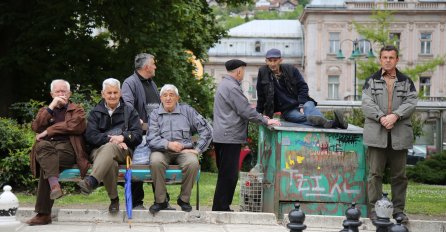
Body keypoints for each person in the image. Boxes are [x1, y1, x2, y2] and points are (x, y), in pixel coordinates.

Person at [212, 59, 281, 211]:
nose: (243, 73)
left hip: (223, 135)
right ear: (238, 71)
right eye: (243, 70)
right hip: (229, 136)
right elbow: (245, 110)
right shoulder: (232, 87)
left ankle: (220, 206)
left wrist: (262, 118)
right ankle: (221, 208)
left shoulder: (225, 84)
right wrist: (265, 121)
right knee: (229, 175)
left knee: (225, 174)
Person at [362, 45, 417, 224]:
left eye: (391, 57)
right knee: (374, 175)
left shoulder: (407, 81)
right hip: (376, 134)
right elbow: (366, 103)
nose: (387, 60)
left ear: (396, 60)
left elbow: (411, 102)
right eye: (384, 57)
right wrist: (382, 117)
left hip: (399, 135)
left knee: (399, 176)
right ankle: (375, 210)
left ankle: (398, 211)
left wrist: (395, 115)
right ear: (380, 59)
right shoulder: (370, 81)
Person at [27, 79, 90, 225]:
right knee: (42, 148)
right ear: (51, 94)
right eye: (57, 91)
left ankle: (43, 214)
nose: (61, 94)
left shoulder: (77, 110)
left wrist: (48, 130)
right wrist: (51, 107)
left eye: (64, 91)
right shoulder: (45, 111)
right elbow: (36, 127)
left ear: (69, 94)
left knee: (46, 163)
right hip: (47, 148)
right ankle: (54, 185)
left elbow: (75, 126)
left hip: (68, 148)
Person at [78, 78, 143, 214]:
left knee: (110, 149)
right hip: (98, 152)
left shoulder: (130, 111)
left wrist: (123, 137)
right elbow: (90, 136)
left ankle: (92, 181)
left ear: (120, 93)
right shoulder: (95, 113)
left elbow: (137, 135)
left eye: (115, 92)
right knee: (110, 162)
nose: (112, 96)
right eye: (109, 93)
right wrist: (111, 139)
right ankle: (114, 199)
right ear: (103, 94)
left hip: (124, 152)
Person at [147, 84, 212, 214]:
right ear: (161, 98)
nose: (168, 98)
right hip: (162, 151)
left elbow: (207, 130)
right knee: (155, 161)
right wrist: (168, 144)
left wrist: (198, 149)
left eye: (171, 95)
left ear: (177, 97)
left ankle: (184, 199)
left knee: (193, 162)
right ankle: (160, 200)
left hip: (184, 151)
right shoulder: (154, 114)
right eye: (165, 95)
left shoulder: (187, 111)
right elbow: (151, 139)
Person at [256, 48, 348, 129]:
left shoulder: (291, 69)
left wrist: (301, 105)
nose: (272, 63)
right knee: (303, 118)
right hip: (288, 110)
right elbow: (261, 95)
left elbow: (303, 86)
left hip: (303, 102)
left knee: (310, 109)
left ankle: (324, 121)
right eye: (270, 60)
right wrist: (259, 114)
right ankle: (334, 123)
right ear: (266, 61)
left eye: (275, 60)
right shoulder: (263, 73)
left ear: (280, 60)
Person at [122, 53, 160, 209]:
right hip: (139, 135)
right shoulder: (130, 83)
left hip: (154, 134)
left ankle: (161, 201)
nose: (155, 66)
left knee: (157, 164)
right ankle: (137, 203)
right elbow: (127, 105)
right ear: (146, 67)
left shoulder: (151, 83)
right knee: (137, 166)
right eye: (153, 64)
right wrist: (136, 119)